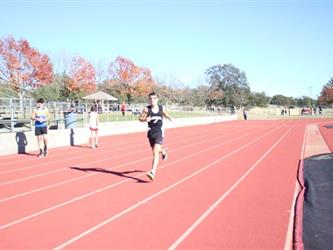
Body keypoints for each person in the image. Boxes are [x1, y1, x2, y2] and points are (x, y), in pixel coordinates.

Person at [139, 92, 172, 181]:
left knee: (155, 152)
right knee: (156, 150)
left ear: (157, 99)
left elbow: (165, 114)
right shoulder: (146, 109)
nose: (152, 100)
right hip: (150, 133)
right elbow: (140, 118)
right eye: (150, 99)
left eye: (154, 98)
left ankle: (153, 172)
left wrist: (169, 117)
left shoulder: (161, 108)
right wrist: (145, 119)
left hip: (159, 132)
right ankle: (164, 151)